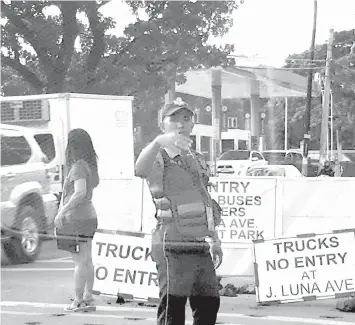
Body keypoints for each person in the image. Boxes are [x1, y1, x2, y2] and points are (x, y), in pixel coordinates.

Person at [135, 98, 223, 325]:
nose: (180, 124)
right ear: (162, 124)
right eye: (173, 118)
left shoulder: (196, 158)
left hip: (198, 241)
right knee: (173, 308)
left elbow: (204, 199)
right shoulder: (158, 155)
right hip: (171, 241)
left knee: (209, 303)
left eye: (186, 118)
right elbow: (139, 169)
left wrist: (215, 238)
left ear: (193, 124)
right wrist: (157, 142)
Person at [54, 128, 99, 312]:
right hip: (89, 217)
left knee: (79, 262)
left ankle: (78, 301)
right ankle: (88, 296)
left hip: (76, 219)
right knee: (87, 259)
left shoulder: (78, 167)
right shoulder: (90, 165)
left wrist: (62, 211)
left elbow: (79, 192)